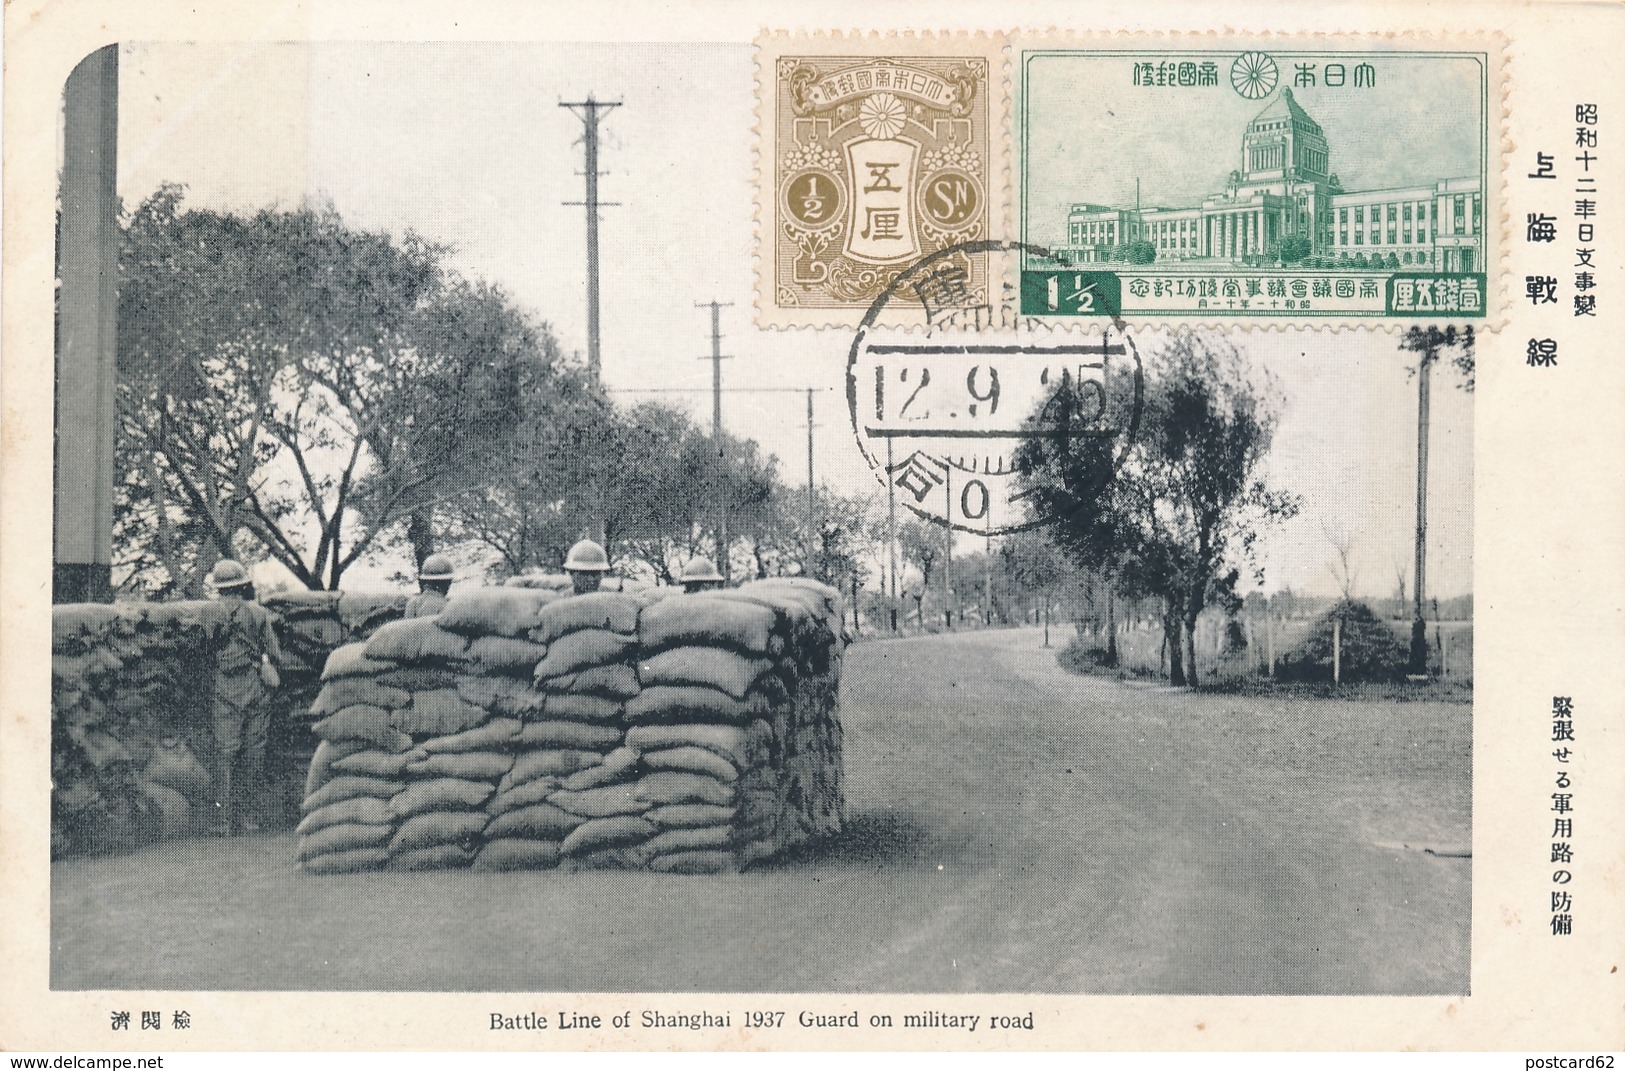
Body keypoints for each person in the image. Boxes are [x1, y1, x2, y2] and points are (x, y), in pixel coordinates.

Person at [201, 559, 283, 836]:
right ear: (243, 585)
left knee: (225, 755)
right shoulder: (258, 615)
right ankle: (248, 817)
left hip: (224, 689)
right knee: (253, 754)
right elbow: (275, 654)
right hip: (254, 687)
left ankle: (222, 820)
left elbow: (201, 655)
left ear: (218, 588)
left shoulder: (207, 615)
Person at [406, 553, 455, 618]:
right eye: (449, 581)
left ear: (426, 580)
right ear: (446, 582)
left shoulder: (412, 603)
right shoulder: (445, 606)